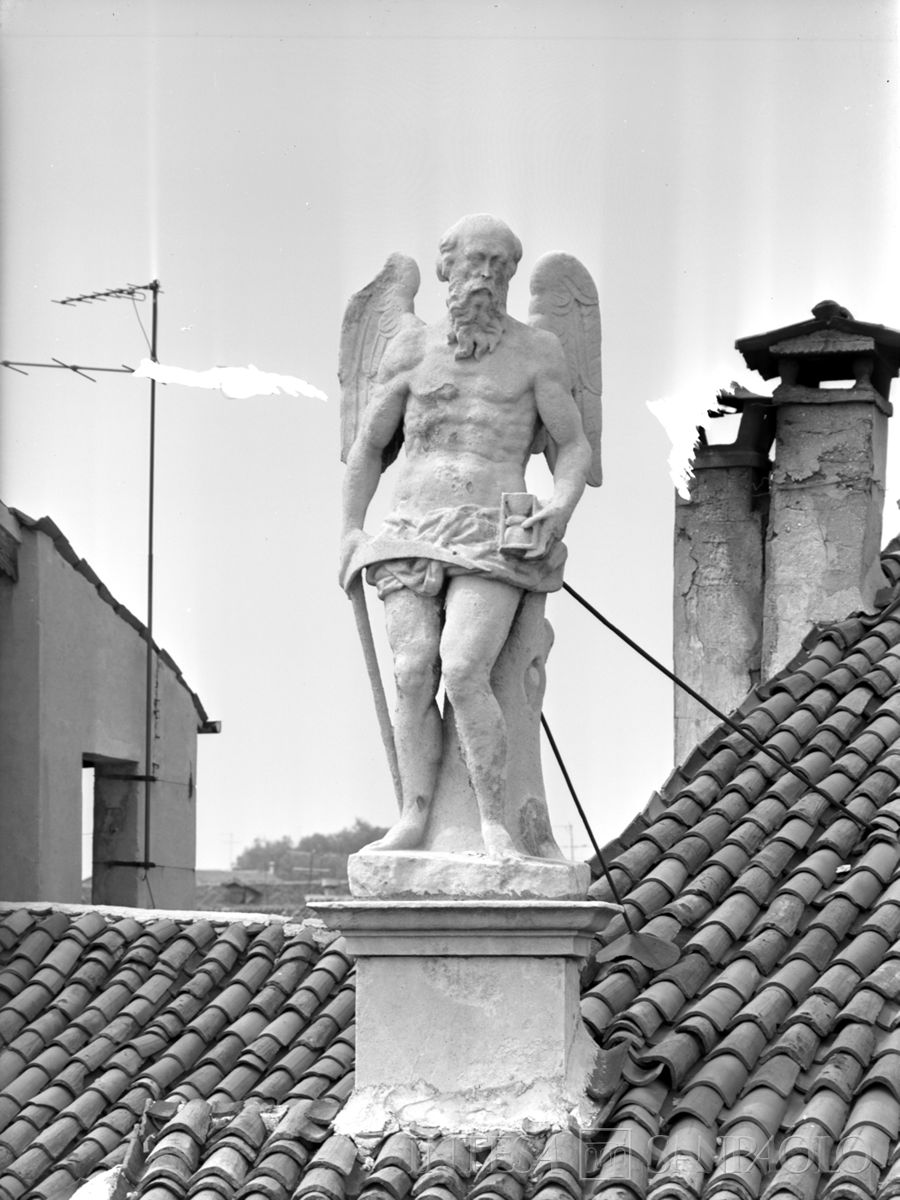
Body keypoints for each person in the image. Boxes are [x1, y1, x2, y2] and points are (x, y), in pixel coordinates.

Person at [339, 214, 591, 857]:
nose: (486, 277)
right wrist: (349, 530)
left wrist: (558, 511)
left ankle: (492, 825)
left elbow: (574, 446)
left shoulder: (538, 352)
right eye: (474, 262)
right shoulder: (409, 349)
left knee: (464, 667)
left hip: (491, 533)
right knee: (412, 669)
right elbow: (369, 448)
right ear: (446, 269)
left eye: (500, 266)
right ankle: (414, 817)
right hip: (410, 528)